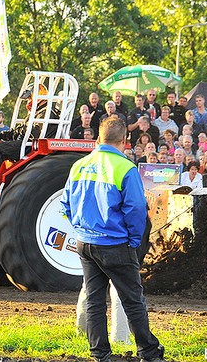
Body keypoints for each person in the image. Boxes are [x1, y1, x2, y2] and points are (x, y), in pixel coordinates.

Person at [61, 118, 165, 362]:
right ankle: (149, 353)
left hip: (85, 243)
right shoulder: (125, 168)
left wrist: (80, 228)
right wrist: (134, 241)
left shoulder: (79, 165)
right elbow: (137, 210)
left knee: (95, 300)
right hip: (115, 244)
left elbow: (65, 204)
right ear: (125, 141)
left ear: (98, 138)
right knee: (132, 300)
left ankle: (100, 354)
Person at [0, 83, 59, 196]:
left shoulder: (45, 112)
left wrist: (15, 133)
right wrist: (1, 135)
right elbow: (22, 130)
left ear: (38, 96)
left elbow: (33, 132)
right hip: (28, 142)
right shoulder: (38, 111)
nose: (28, 101)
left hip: (32, 146)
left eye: (30, 98)